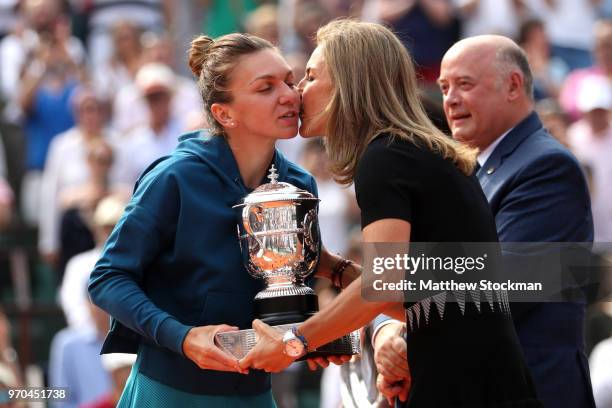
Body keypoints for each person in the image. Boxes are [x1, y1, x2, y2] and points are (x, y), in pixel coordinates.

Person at [239, 19, 541, 408]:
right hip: (484, 383)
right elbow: (429, 295)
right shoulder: (411, 151)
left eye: (311, 77)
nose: (299, 90)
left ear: (349, 84)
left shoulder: (385, 158)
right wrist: (334, 268)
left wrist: (293, 341)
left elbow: (386, 285)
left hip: (467, 389)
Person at [88, 32, 313, 407]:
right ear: (224, 113)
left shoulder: (300, 185)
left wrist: (320, 336)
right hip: (168, 392)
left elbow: (292, 296)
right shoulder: (174, 177)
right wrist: (183, 337)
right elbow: (108, 278)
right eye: (266, 88)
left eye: (289, 81)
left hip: (256, 394)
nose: (290, 95)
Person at [435, 35, 595, 408]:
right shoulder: (470, 169)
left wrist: (403, 330)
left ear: (513, 85)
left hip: (533, 390)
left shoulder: (545, 168)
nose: (450, 99)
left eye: (465, 84)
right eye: (444, 87)